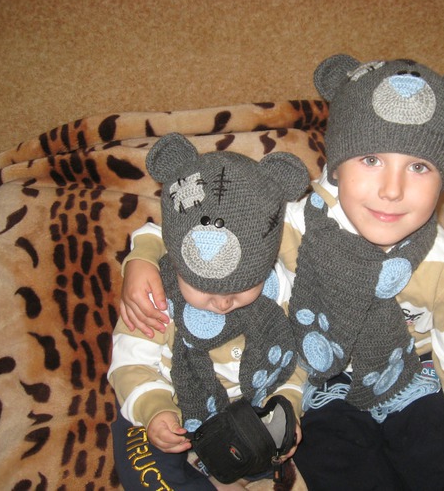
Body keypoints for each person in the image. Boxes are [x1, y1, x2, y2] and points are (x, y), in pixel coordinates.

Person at [121, 55, 444, 490]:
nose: (392, 189)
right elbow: (203, 230)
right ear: (336, 163)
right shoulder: (296, 222)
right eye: (371, 159)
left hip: (408, 377)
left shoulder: (440, 264)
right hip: (316, 392)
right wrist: (142, 255)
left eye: (419, 167)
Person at [108, 133, 309, 490]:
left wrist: (287, 404)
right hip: (172, 403)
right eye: (205, 289)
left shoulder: (279, 289)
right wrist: (154, 410)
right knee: (139, 458)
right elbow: (129, 366)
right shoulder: (156, 296)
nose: (222, 302)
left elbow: (296, 359)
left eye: (241, 288)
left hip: (250, 411)